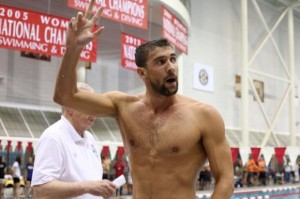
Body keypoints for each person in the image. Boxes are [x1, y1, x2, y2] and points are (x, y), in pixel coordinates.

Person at [53, 1, 234, 198]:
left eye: (173, 59)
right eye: (161, 62)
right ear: (142, 73)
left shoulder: (204, 116)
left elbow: (225, 178)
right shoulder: (123, 107)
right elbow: (65, 97)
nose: (171, 66)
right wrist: (72, 48)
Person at [31, 82, 116, 199]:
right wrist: (87, 187)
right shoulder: (53, 137)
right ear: (69, 107)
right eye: (88, 105)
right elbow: (41, 191)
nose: (94, 111)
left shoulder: (90, 139)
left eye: (95, 106)